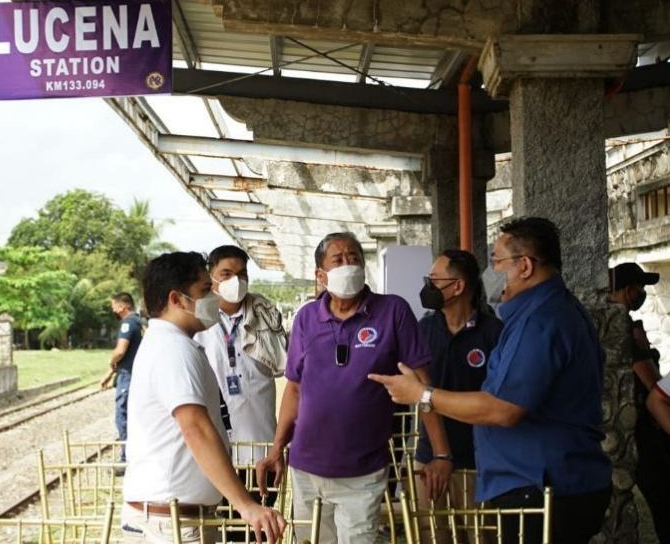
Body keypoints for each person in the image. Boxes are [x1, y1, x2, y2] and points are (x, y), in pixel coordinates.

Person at [369, 217, 612, 544]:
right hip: (549, 481)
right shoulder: (551, 312)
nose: (491, 273)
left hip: (540, 486)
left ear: (524, 266)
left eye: (497, 261)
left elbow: (503, 408)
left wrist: (422, 394)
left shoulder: (537, 322)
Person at [256, 231, 452, 544]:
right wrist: (277, 448)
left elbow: (423, 385)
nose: (349, 265)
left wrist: (441, 453)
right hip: (306, 468)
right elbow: (293, 389)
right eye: (339, 260)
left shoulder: (393, 311)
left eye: (354, 258)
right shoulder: (307, 318)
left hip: (363, 472)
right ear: (321, 275)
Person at [120, 251, 286, 544]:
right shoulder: (174, 350)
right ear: (177, 299)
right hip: (172, 523)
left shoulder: (171, 343)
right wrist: (245, 505)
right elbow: (195, 427)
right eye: (204, 290)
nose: (213, 297)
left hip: (173, 517)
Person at [415, 249, 503, 542]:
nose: (428, 287)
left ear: (458, 286)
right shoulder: (423, 330)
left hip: (479, 464)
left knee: (481, 537)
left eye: (434, 280)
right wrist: (438, 455)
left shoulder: (494, 333)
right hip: (429, 463)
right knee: (434, 536)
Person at [194, 245, 287, 500]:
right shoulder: (196, 319)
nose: (236, 280)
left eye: (242, 274)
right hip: (214, 449)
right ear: (210, 276)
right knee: (218, 529)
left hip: (261, 446)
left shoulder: (265, 316)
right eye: (226, 274)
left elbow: (285, 366)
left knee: (259, 526)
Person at [609, 263, 670, 543]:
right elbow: (649, 378)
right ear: (629, 290)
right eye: (640, 287)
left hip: (630, 427)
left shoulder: (615, 325)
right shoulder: (622, 328)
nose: (642, 293)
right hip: (647, 431)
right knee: (665, 505)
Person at [99, 292, 143, 460]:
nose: (113, 309)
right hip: (136, 374)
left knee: (122, 415)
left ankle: (126, 457)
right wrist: (109, 374)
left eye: (114, 306)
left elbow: (120, 351)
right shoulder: (140, 322)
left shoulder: (128, 323)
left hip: (128, 376)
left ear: (122, 306)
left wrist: (111, 362)